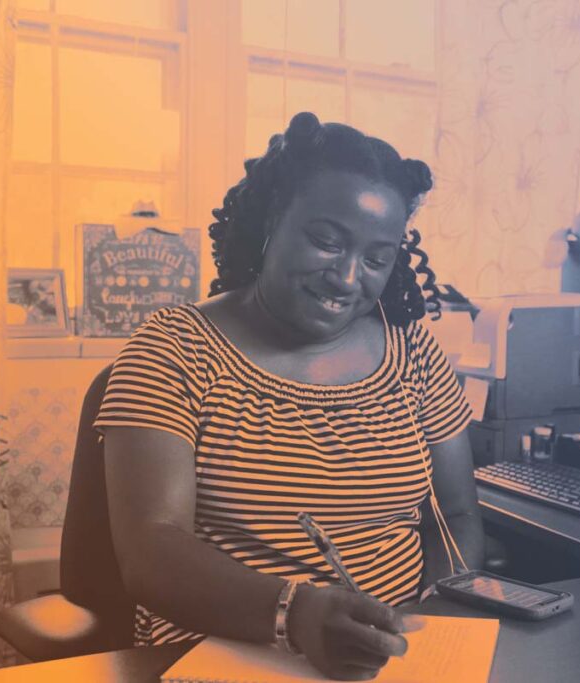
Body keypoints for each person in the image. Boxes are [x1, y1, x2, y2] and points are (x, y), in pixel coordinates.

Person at [96, 112, 484, 681]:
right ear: (273, 220)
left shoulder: (414, 353)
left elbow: (457, 515)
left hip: (389, 661)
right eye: (327, 243)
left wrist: (430, 619)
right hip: (224, 655)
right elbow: (151, 550)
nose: (347, 277)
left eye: (376, 259)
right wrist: (294, 615)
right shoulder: (174, 349)